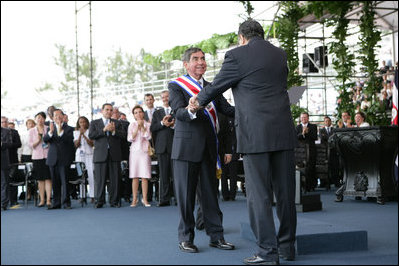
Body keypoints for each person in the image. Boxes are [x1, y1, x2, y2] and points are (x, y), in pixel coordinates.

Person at [193, 20, 297, 264]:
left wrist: (196, 101)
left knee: (259, 196)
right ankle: (287, 249)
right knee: (285, 195)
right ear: (261, 34)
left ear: (241, 37)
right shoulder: (280, 55)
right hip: (282, 131)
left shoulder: (236, 56)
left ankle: (268, 253)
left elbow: (217, 86)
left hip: (255, 134)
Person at [169, 47, 235, 253]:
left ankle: (217, 236)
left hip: (209, 150)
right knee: (186, 198)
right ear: (186, 64)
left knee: (210, 197)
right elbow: (178, 112)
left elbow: (227, 110)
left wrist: (252, 108)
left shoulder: (212, 86)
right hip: (186, 150)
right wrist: (191, 109)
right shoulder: (176, 85)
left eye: (203, 59)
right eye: (196, 59)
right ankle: (185, 238)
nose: (201, 62)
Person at [89, 103, 126, 208]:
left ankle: (114, 201)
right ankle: (99, 201)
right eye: (107, 110)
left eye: (111, 110)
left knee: (115, 179)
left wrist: (114, 131)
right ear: (102, 110)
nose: (109, 112)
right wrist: (104, 130)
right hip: (100, 155)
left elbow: (123, 135)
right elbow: (91, 135)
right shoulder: (94, 123)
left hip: (114, 154)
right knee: (100, 180)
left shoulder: (117, 123)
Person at [43, 109, 74, 210]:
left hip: (64, 159)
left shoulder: (69, 128)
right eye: (55, 116)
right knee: (55, 182)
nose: (57, 117)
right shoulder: (50, 128)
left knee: (65, 182)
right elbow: (46, 139)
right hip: (52, 159)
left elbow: (68, 140)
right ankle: (56, 203)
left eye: (59, 115)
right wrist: (51, 132)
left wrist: (60, 131)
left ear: (63, 116)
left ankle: (66, 203)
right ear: (52, 118)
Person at [150, 90, 175, 207]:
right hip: (162, 148)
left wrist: (173, 125)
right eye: (163, 97)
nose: (165, 99)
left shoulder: (177, 109)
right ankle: (164, 199)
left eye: (167, 96)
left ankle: (178, 199)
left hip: (176, 146)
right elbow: (153, 128)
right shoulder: (157, 113)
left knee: (176, 175)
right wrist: (162, 123)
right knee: (163, 175)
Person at [127, 105, 152, 207]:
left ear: (143, 113)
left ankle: (145, 199)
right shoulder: (131, 125)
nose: (138, 114)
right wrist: (137, 128)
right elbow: (130, 138)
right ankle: (134, 199)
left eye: (140, 112)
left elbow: (148, 137)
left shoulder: (148, 124)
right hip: (134, 152)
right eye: (136, 112)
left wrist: (143, 127)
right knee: (135, 176)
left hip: (145, 152)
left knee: (144, 176)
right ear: (133, 115)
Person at [28, 112, 52, 207]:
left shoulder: (48, 129)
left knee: (48, 179)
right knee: (40, 180)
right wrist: (38, 140)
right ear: (35, 119)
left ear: (45, 119)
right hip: (37, 157)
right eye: (38, 118)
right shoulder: (31, 131)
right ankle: (42, 200)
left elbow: (53, 141)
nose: (40, 120)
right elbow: (30, 145)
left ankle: (49, 200)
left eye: (42, 118)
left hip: (48, 156)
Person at [73, 116, 95, 203]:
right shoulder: (75, 132)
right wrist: (80, 135)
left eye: (84, 122)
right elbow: (76, 145)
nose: (82, 124)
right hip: (79, 157)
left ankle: (93, 195)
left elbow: (92, 144)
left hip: (89, 155)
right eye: (80, 122)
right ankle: (82, 196)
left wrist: (85, 136)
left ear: (87, 122)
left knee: (91, 175)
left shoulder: (90, 131)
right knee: (80, 175)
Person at [2, 116, 22, 207]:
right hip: (5, 159)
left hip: (10, 159)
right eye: (2, 122)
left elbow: (16, 144)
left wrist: (4, 145)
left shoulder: (12, 132)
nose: (4, 123)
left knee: (10, 181)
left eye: (5, 122)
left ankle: (10, 201)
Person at [296, 112, 318, 192]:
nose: (303, 119)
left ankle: (311, 186)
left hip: (311, 150)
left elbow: (314, 137)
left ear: (308, 118)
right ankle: (303, 186)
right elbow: (296, 137)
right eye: (302, 118)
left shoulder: (313, 126)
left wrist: (307, 133)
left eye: (305, 117)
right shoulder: (297, 127)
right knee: (302, 168)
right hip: (300, 152)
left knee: (311, 168)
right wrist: (303, 133)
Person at [143, 93, 158, 203]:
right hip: (146, 144)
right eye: (147, 100)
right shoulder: (141, 114)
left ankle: (158, 195)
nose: (149, 101)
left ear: (153, 100)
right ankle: (147, 197)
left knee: (158, 170)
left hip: (158, 143)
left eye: (150, 99)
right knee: (147, 171)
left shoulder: (159, 112)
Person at [18, 119, 36, 200]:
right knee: (27, 176)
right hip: (26, 156)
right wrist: (19, 158)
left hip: (35, 156)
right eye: (29, 124)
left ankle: (37, 193)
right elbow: (20, 148)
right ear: (26, 125)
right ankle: (28, 193)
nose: (31, 125)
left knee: (36, 176)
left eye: (32, 123)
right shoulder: (23, 135)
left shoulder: (37, 134)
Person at [1, 120, 13, 211]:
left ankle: (3, 203)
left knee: (4, 182)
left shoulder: (6, 131)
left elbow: (9, 143)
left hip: (3, 161)